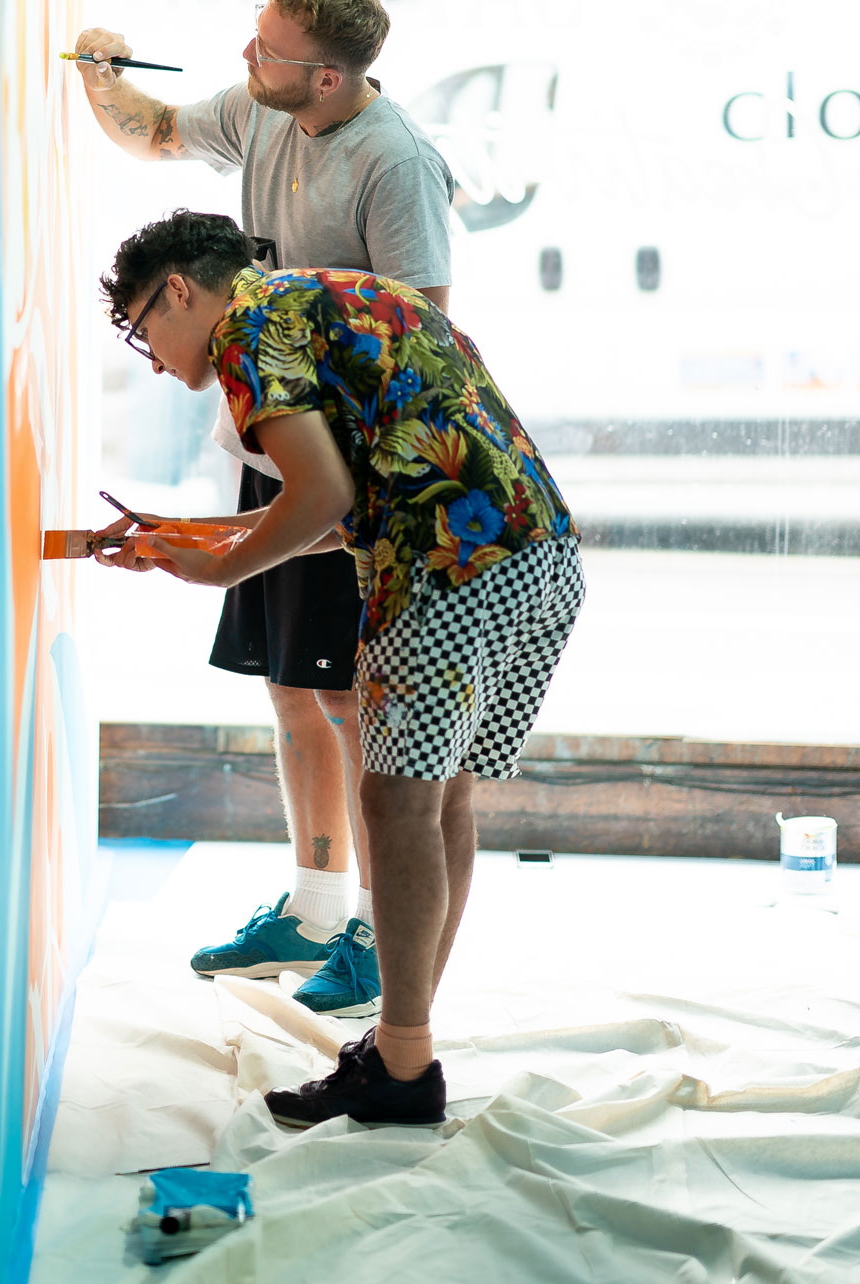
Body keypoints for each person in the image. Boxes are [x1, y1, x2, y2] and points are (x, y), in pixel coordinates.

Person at [96, 210, 584, 1127]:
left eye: (142, 330)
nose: (153, 360)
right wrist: (213, 535)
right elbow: (351, 500)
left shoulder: (247, 327)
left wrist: (219, 569)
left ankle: (401, 1072)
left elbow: (320, 493)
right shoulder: (342, 296)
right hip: (537, 552)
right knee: (438, 801)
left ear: (178, 291)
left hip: (448, 565)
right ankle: (402, 1043)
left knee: (397, 803)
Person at [73, 0, 453, 1018]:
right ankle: (317, 901)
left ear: (326, 75)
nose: (245, 60)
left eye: (266, 50)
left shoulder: (392, 162)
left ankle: (380, 935)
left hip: (347, 453)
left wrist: (318, 497)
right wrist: (100, 76)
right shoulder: (259, 109)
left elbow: (423, 328)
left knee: (350, 699)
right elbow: (151, 130)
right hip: (270, 431)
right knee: (292, 685)